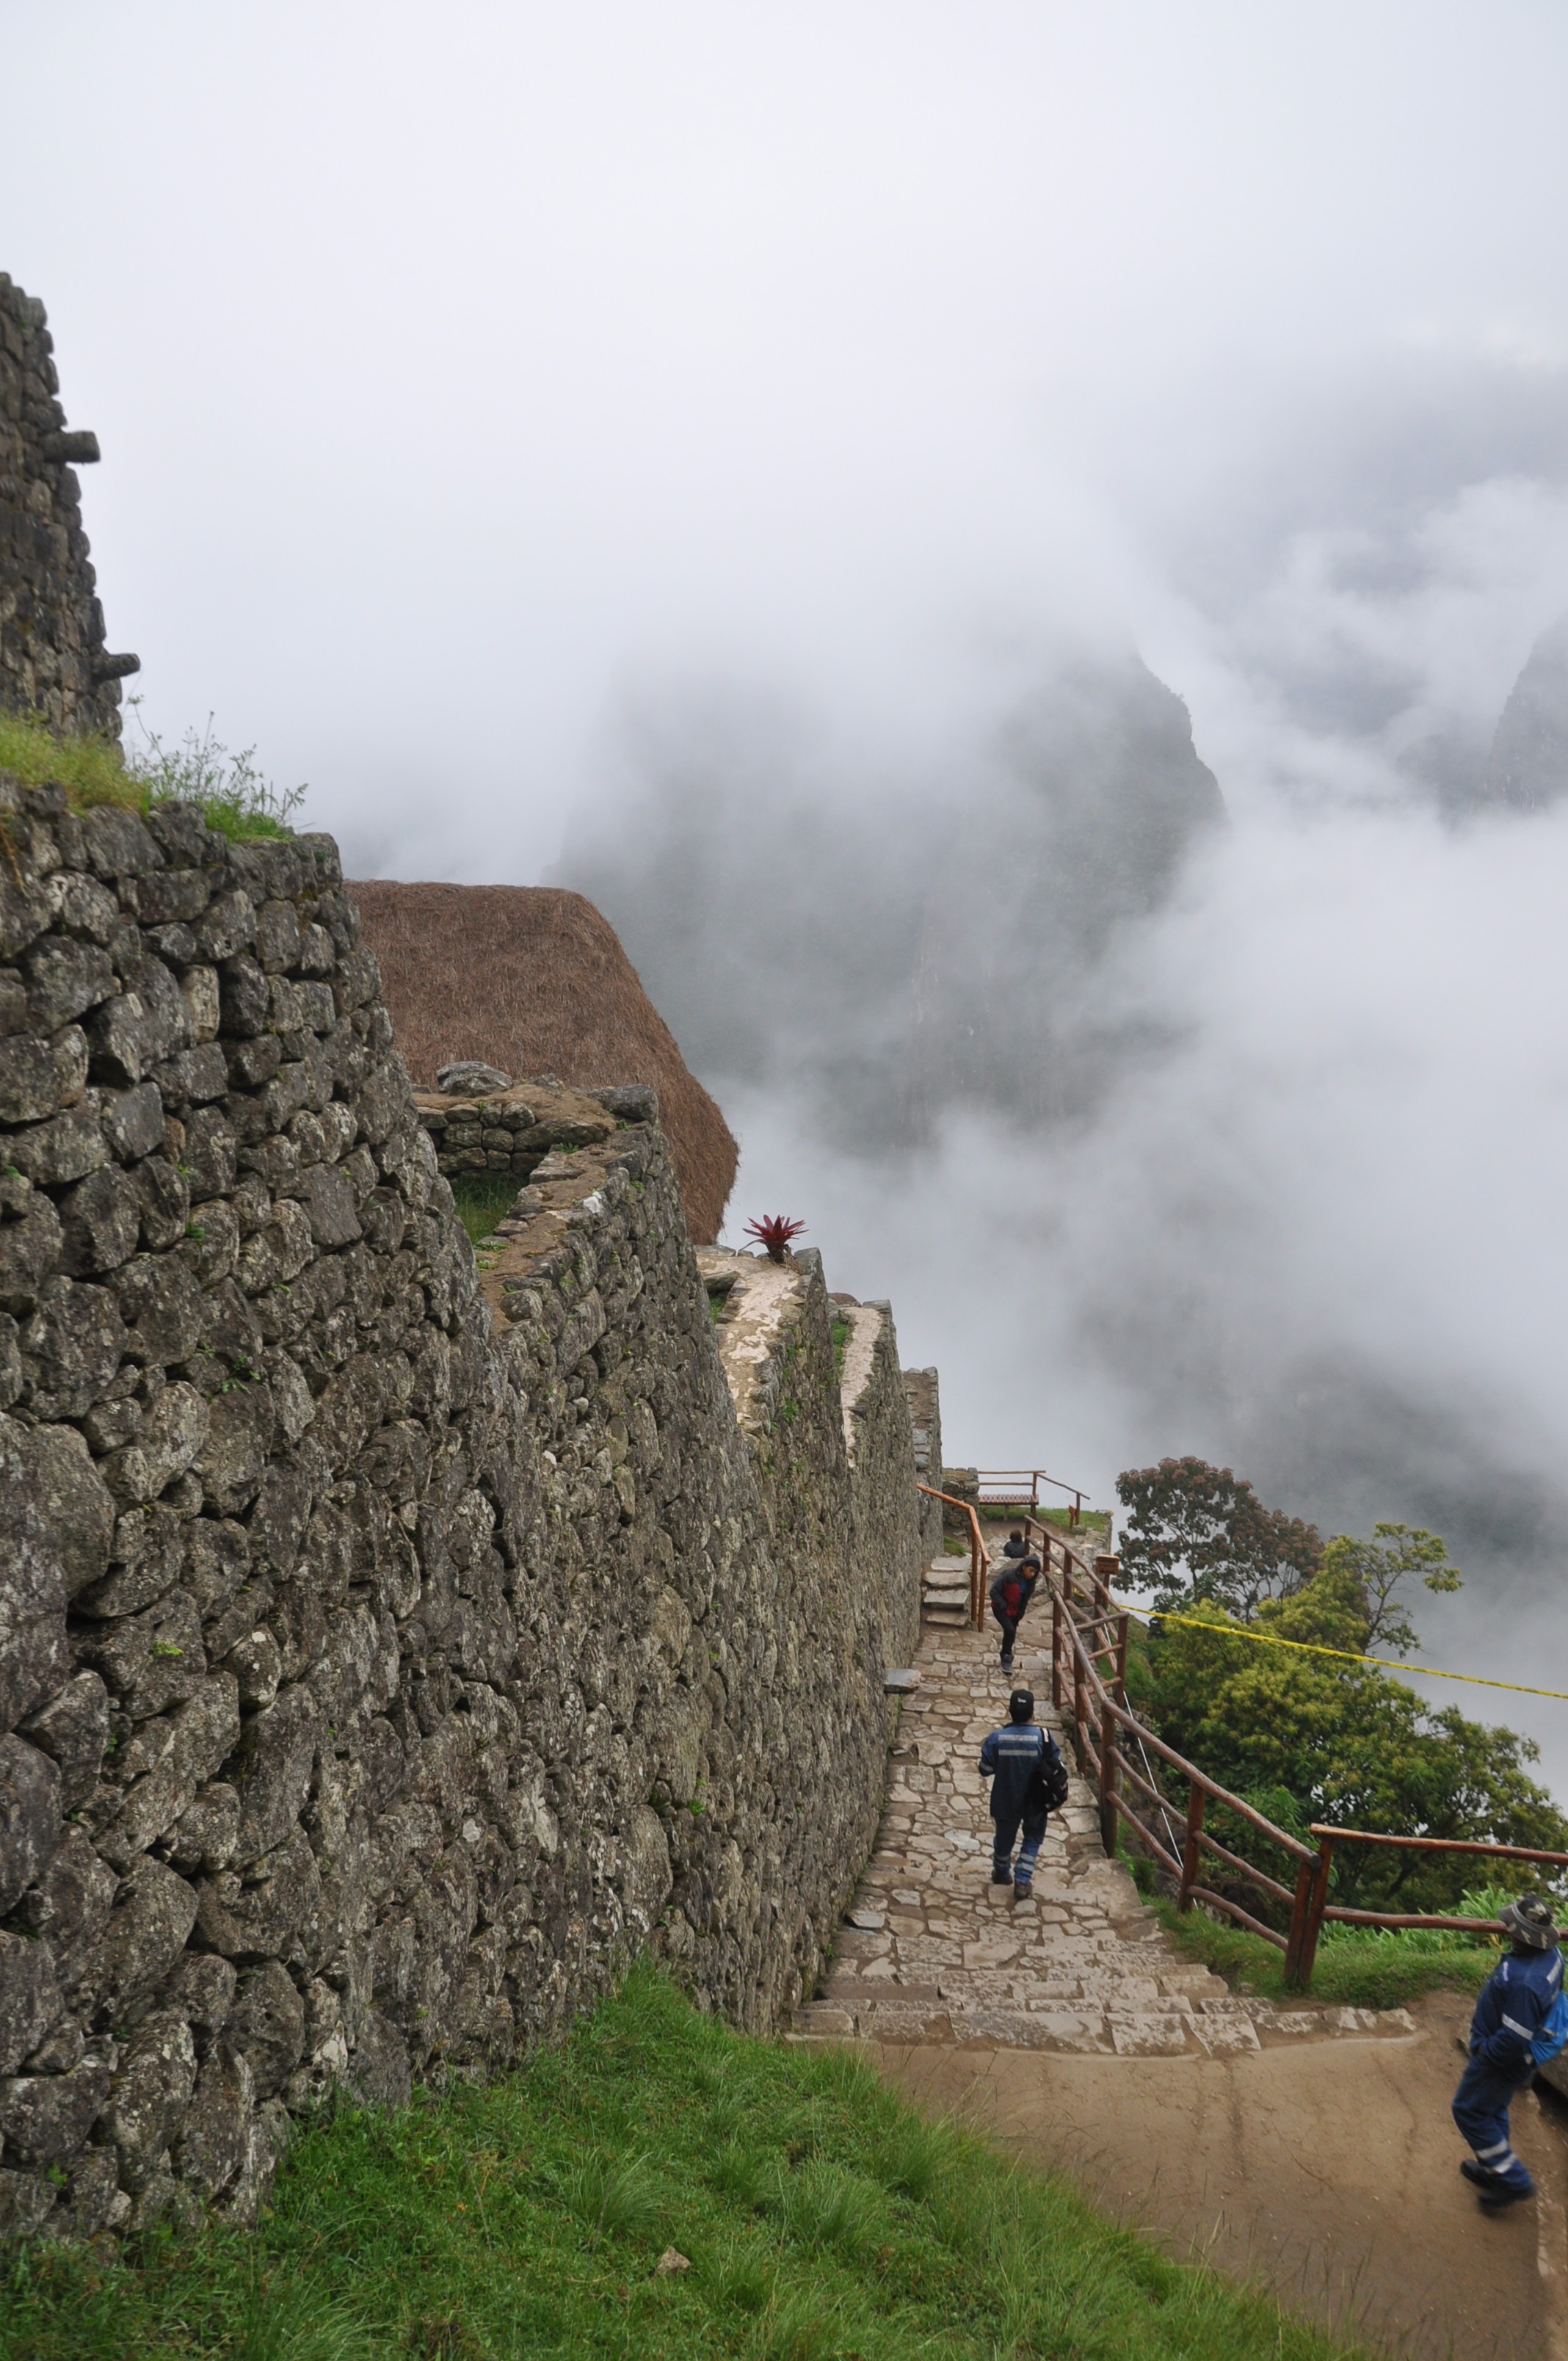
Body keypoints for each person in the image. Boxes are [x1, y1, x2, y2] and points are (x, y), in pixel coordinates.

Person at [1451, 1893, 1567, 2209]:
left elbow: (1513, 2039)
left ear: (1523, 1935)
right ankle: (1495, 2168)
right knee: (1493, 2108)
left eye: (1512, 1925)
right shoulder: (1553, 1956)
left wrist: (1482, 2051)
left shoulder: (1525, 1983)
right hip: (1518, 2057)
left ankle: (1511, 2179)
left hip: (1501, 2060)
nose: (1507, 1928)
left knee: (1469, 2111)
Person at [979, 1686, 1065, 1897]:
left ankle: (1001, 1872)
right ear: (1033, 1714)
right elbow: (1056, 1763)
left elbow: (985, 1770)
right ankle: (1023, 1880)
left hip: (1005, 1799)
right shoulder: (1043, 1738)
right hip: (1035, 1801)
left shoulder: (997, 1738)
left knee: (1004, 1839)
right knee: (1033, 1838)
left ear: (1010, 1711)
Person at [989, 1550, 1041, 1670]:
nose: (1032, 1574)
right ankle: (1006, 1657)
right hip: (1000, 1609)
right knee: (1010, 1630)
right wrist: (1004, 1606)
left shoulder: (1030, 1584)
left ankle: (1006, 1657)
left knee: (1011, 1634)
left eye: (1035, 1572)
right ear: (1024, 1567)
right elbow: (994, 1591)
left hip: (1015, 1612)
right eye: (1031, 1570)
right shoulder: (1008, 1575)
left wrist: (1020, 1613)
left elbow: (1025, 1599)